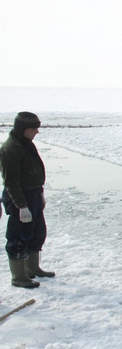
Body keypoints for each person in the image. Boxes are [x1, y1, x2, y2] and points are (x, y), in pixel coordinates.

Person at [0, 112, 55, 289]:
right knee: (18, 237)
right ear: (23, 129)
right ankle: (18, 276)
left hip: (34, 195)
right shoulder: (10, 150)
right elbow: (11, 182)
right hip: (20, 198)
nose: (37, 132)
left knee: (37, 233)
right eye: (33, 128)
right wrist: (22, 206)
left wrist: (40, 194)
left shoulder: (26, 144)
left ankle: (32, 268)